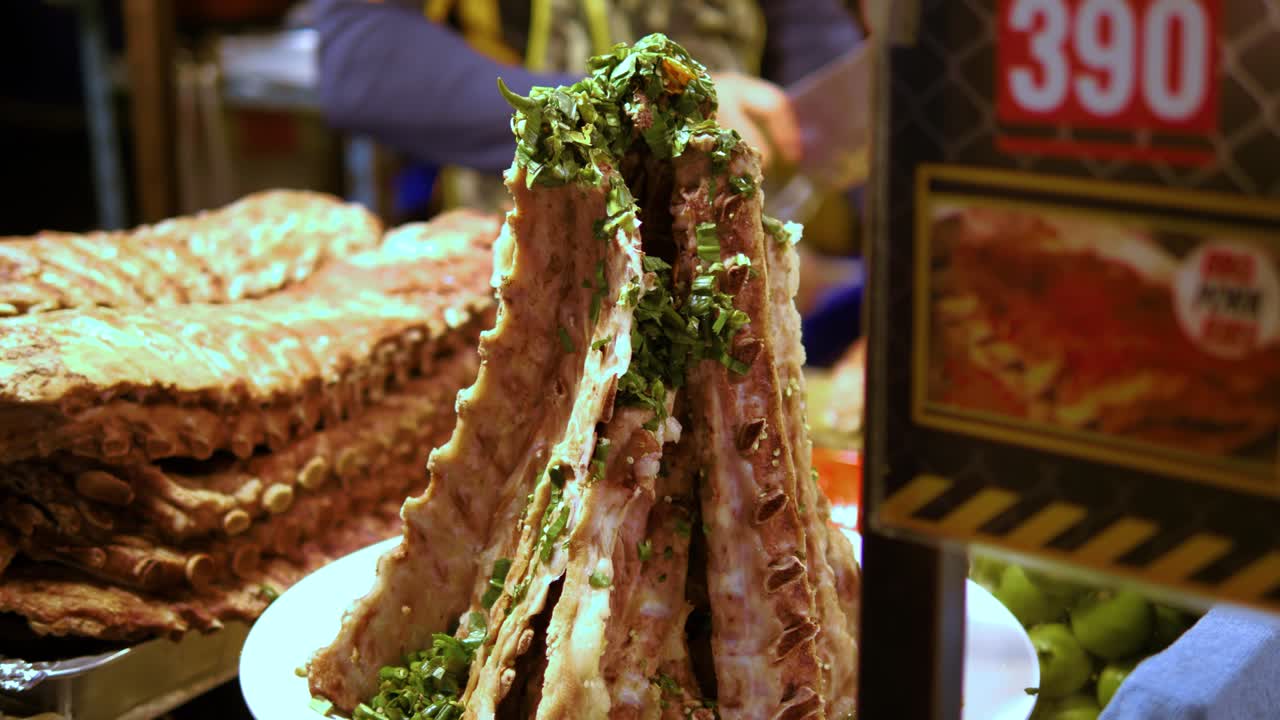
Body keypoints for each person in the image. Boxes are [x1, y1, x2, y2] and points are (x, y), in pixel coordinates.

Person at [313, 0, 864, 211]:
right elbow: (364, 59)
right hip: (517, 272)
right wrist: (631, 112)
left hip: (722, 268)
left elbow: (815, 43)